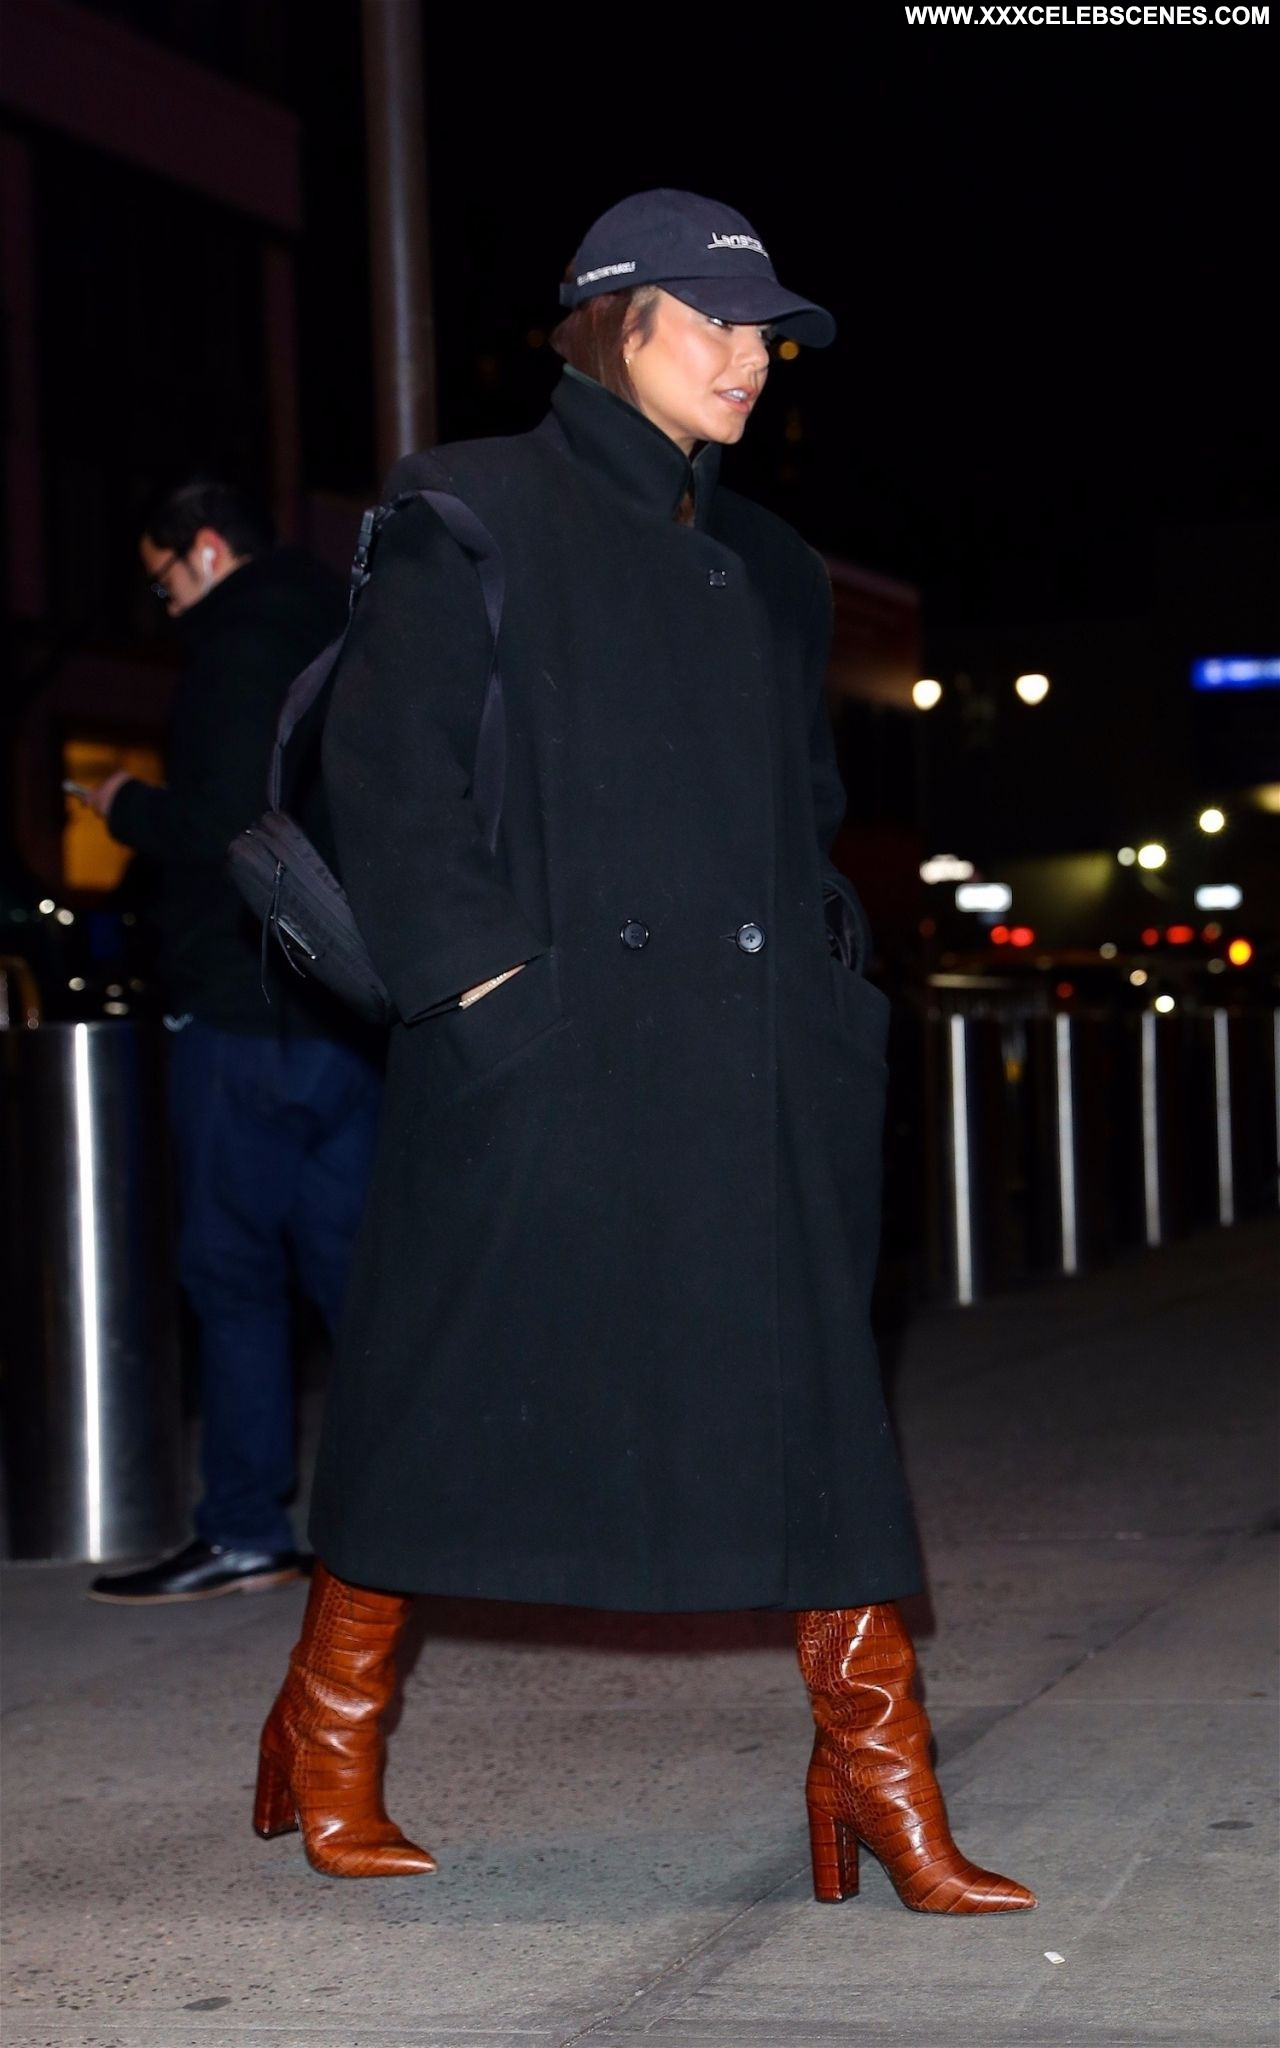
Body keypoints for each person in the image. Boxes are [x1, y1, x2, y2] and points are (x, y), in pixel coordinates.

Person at [255, 192, 1035, 1912]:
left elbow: (805, 814)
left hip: (750, 1063)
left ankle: (876, 1768)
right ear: (616, 321)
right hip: (543, 1053)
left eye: (769, 335)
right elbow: (391, 783)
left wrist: (830, 991)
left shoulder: (775, 565)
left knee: (815, 1417)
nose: (753, 359)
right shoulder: (470, 507)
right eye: (718, 323)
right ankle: (328, 1725)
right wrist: (481, 994)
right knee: (438, 1401)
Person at [85, 476, 383, 1606]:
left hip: (244, 1005)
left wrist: (123, 803)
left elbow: (220, 826)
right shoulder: (344, 620)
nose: (164, 605)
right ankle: (431, 1519)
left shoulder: (231, 650)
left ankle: (248, 1526)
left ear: (206, 550)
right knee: (358, 1279)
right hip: (342, 1004)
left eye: (164, 579)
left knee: (232, 1272)